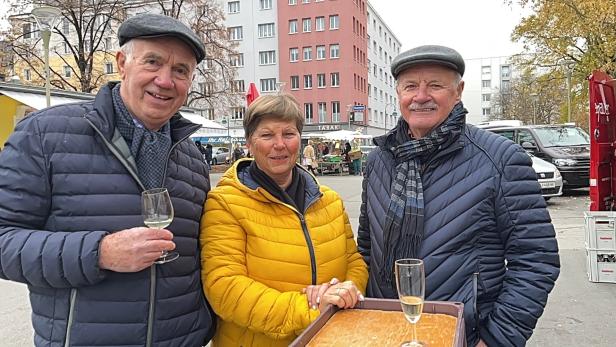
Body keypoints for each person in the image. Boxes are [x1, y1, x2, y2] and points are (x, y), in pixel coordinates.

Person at [0, 13, 216, 346]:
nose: (165, 80)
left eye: (180, 71)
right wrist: (98, 252)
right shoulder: (44, 135)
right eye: (152, 62)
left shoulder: (191, 158)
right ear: (122, 63)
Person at [357, 45, 560, 347]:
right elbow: (366, 249)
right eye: (411, 86)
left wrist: (496, 339)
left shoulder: (500, 159)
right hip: (385, 331)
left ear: (458, 91)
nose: (421, 96)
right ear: (398, 94)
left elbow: (536, 259)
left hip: (463, 334)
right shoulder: (379, 161)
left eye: (435, 85)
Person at [200, 94, 368, 346]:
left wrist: (344, 291)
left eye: (288, 134)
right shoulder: (226, 202)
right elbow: (224, 289)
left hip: (326, 337)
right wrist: (310, 307)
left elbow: (354, 261)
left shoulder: (329, 200)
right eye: (267, 135)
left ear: (300, 139)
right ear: (249, 142)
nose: (279, 144)